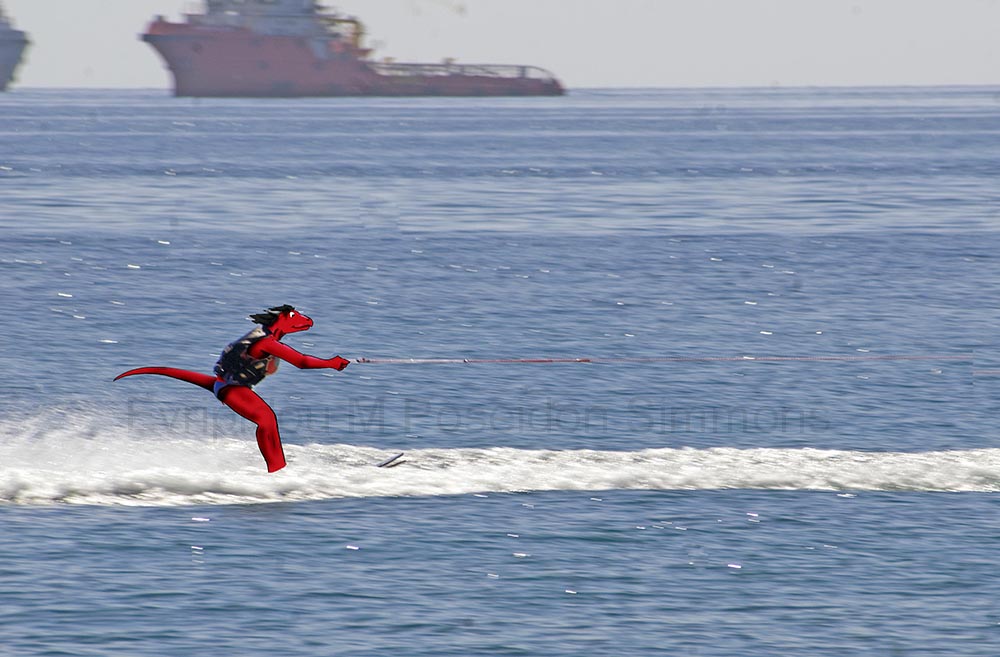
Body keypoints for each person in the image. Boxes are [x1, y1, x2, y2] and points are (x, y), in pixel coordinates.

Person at [115, 305, 349, 472]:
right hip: (232, 389)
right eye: (294, 316)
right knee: (266, 420)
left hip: (229, 384)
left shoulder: (264, 337)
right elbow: (302, 362)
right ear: (284, 319)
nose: (303, 320)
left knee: (268, 420)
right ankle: (277, 471)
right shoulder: (266, 342)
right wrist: (332, 363)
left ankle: (277, 468)